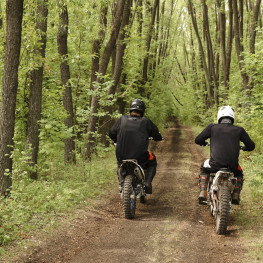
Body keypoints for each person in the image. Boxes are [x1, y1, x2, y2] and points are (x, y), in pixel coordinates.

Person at [195, 105, 255, 205]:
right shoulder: (239, 130)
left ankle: (203, 191)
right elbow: (251, 145)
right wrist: (245, 148)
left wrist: (204, 143)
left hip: (214, 164)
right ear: (232, 117)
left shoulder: (212, 127)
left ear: (220, 116)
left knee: (203, 168)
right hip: (232, 166)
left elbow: (198, 140)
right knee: (239, 174)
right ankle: (236, 194)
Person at [109, 98, 163, 194]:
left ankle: (121, 182)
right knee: (152, 160)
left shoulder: (122, 119)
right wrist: (158, 138)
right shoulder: (146, 122)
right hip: (140, 157)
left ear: (131, 109)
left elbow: (111, 133)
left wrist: (116, 141)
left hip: (122, 156)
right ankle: (147, 182)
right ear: (142, 111)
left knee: (119, 163)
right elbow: (157, 136)